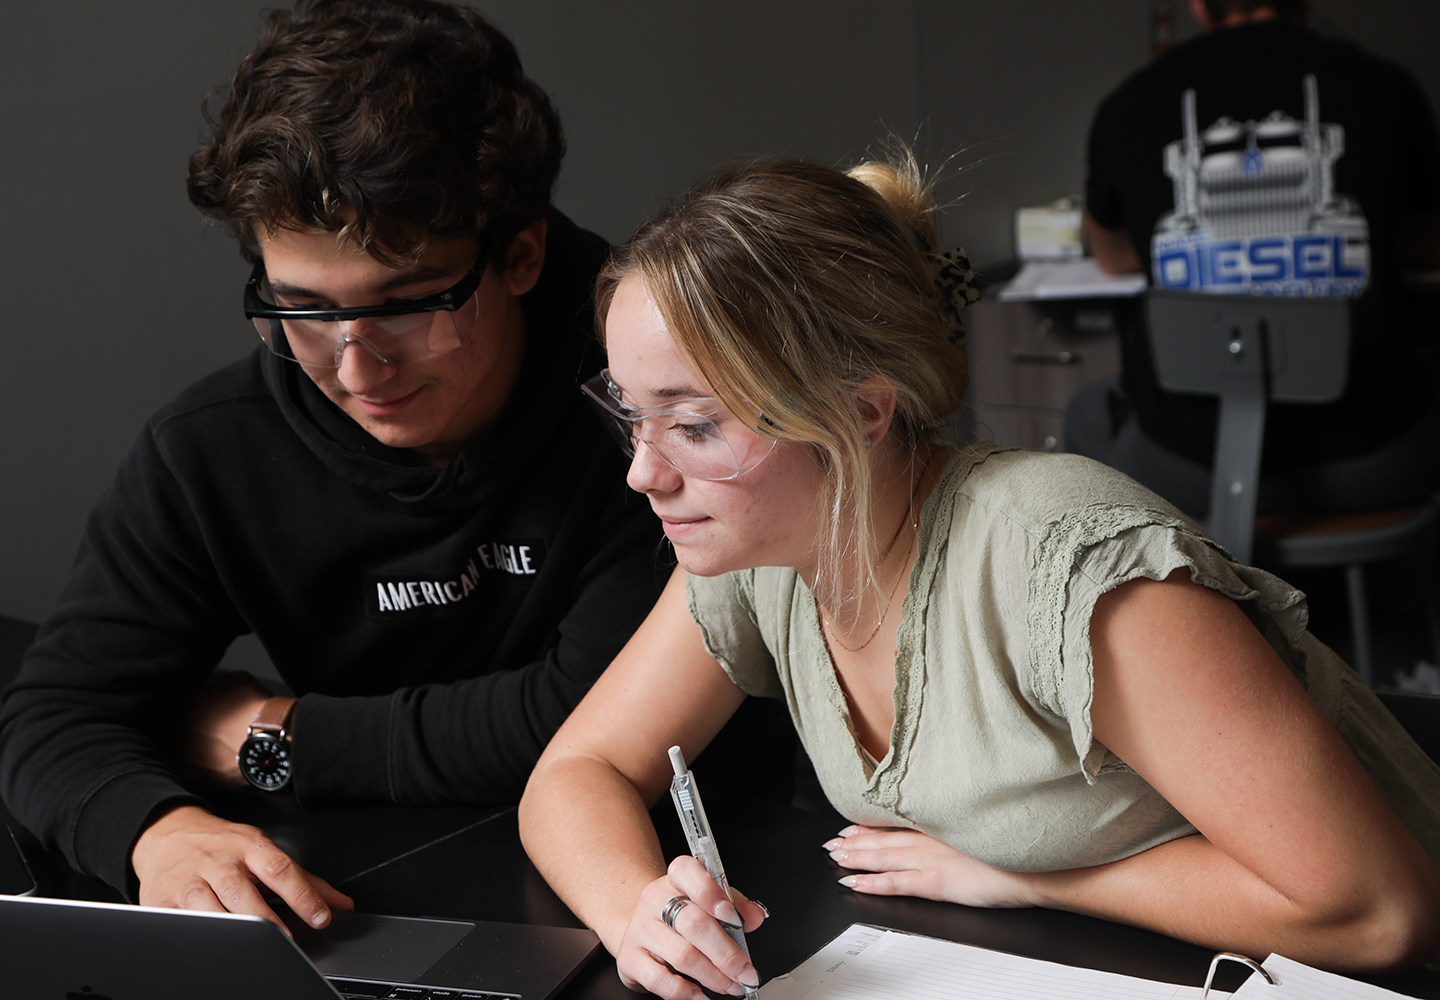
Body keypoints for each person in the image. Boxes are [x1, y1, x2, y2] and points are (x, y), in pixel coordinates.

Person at [517, 152, 1440, 1000]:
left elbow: (1376, 913)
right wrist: (640, 911)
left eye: (695, 425)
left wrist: (1030, 881)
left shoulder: (1066, 571)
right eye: (631, 416)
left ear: (863, 411)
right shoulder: (764, 547)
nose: (644, 472)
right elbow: (578, 772)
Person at [0, 0, 669, 933]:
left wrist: (274, 740)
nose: (356, 368)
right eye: (301, 308)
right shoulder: (210, 449)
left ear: (520, 253)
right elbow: (55, 715)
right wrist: (158, 831)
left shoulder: (658, 395)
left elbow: (596, 721)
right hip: (360, 908)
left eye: (407, 303)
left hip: (675, 890)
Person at [1071, 0, 1440, 514]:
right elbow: (1428, 244)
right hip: (1370, 458)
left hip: (1188, 463)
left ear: (1199, 6)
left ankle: (1162, 587)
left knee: (1086, 413)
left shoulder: (1129, 102)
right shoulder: (1385, 85)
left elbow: (1114, 258)